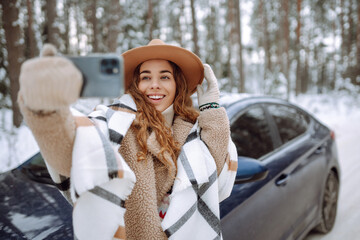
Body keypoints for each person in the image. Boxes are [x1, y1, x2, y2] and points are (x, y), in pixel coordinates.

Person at [18, 39, 238, 240]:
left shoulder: (192, 130)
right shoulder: (114, 122)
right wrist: (46, 110)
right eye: (145, 77)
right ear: (135, 84)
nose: (154, 85)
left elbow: (217, 174)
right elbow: (73, 152)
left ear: (177, 84)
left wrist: (211, 108)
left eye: (164, 76)